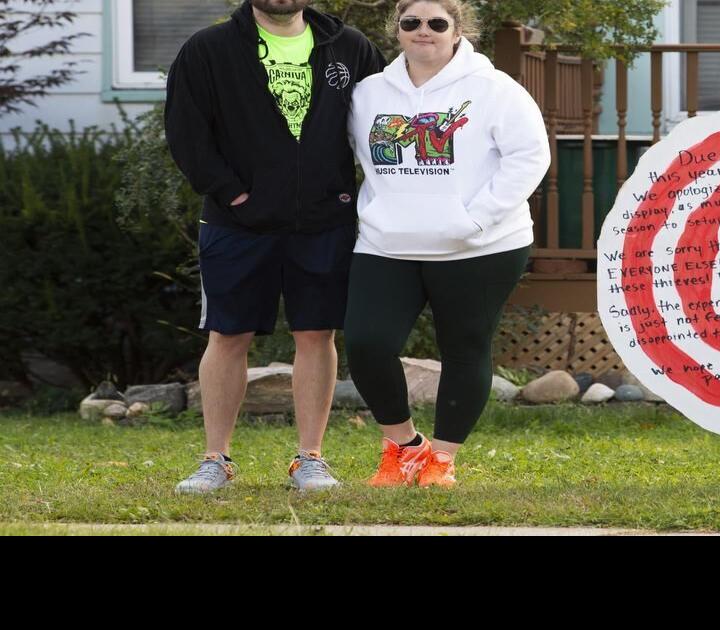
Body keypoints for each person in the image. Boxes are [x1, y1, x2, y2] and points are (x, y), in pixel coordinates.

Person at [165, 0, 385, 493]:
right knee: (228, 335)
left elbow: (380, 123)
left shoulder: (349, 47)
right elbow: (185, 129)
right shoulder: (209, 48)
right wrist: (230, 191)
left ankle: (310, 459)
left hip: (325, 218)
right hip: (236, 223)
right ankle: (214, 459)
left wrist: (359, 193)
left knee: (316, 334)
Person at [344, 0, 550, 488]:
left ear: (458, 30)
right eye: (410, 22)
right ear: (396, 29)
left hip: (480, 245)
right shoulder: (369, 93)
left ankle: (442, 460)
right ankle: (404, 448)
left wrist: (474, 220)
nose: (423, 32)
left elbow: (529, 157)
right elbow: (354, 157)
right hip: (387, 242)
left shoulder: (495, 89)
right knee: (367, 343)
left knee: (464, 347)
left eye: (437, 23)